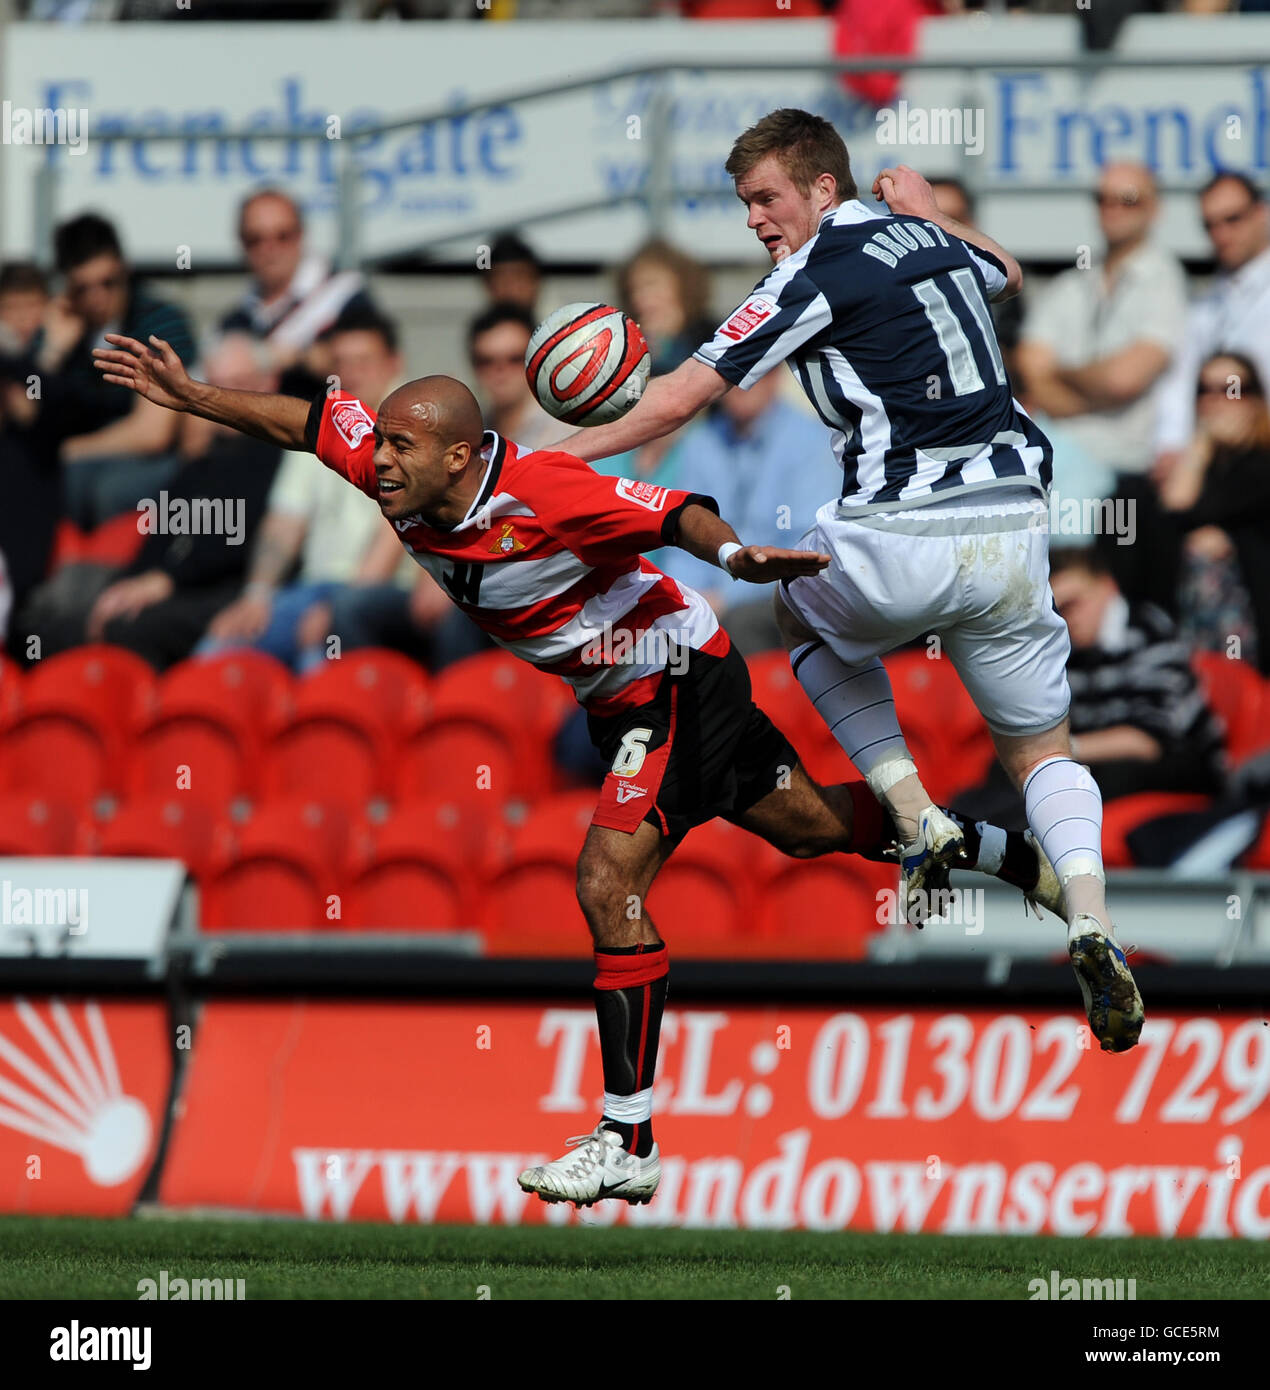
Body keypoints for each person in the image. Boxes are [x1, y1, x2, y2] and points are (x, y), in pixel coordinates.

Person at [93, 328, 1060, 1212]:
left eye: (401, 448)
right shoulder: (391, 468)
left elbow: (678, 511)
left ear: (461, 456)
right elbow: (309, 423)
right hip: (622, 699)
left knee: (606, 880)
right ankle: (1013, 857)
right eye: (379, 443)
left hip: (673, 678)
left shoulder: (547, 492)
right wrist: (192, 397)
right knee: (812, 829)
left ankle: (625, 1135)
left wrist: (738, 556)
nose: (378, 460)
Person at [548, 108, 1144, 1061]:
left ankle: (913, 814)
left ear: (824, 190)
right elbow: (1009, 273)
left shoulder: (810, 272)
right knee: (1041, 752)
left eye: (766, 198)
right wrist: (936, 211)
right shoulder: (930, 239)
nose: (754, 220)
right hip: (1015, 534)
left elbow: (677, 397)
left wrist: (547, 468)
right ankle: (1090, 914)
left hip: (902, 529)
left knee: (797, 614)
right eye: (744, 203)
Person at [1017, 163, 1187, 609]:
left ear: (1154, 208)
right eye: (1104, 198)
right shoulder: (1078, 280)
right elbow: (1032, 368)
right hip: (1058, 473)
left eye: (1127, 198)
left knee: (1105, 622)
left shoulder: (1163, 280)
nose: (1113, 209)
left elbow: (1125, 378)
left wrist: (1064, 375)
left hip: (1123, 482)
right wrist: (1097, 383)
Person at [195, 309, 402, 672]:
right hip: (310, 590)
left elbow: (397, 535)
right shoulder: (321, 425)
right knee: (217, 649)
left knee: (319, 656)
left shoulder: (412, 434)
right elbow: (284, 522)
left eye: (363, 361)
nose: (351, 372)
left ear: (392, 364)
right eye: (341, 362)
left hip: (377, 595)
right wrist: (256, 595)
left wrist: (339, 608)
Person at [5, 213, 195, 529]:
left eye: (108, 283)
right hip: (82, 463)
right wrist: (53, 351)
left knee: (106, 489)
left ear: (125, 269)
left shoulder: (160, 322)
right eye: (83, 288)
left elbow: (152, 435)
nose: (97, 297)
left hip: (150, 462)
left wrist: (67, 450)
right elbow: (22, 415)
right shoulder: (59, 327)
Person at [1158, 352, 1270, 673]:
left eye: (1231, 389)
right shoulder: (1202, 466)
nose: (1216, 401)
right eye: (1204, 390)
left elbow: (1188, 512)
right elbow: (1171, 518)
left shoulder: (1262, 464)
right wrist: (1199, 449)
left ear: (1255, 398)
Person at [1154, 173, 1270, 475]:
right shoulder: (1204, 306)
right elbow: (1179, 385)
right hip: (1214, 463)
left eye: (1233, 219)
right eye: (1210, 224)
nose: (1221, 234)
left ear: (1262, 213)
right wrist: (1170, 448)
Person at [219, 188, 377, 400]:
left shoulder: (345, 295)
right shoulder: (235, 319)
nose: (269, 248)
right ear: (241, 242)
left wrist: (287, 358)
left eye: (282, 236)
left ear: (301, 235)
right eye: (255, 238)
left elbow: (368, 369)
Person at [467, 303, 560, 452]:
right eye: (486, 361)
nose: (501, 372)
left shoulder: (567, 430)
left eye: (515, 359)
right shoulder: (470, 430)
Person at [616, 239, 717, 377]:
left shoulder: (714, 336)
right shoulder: (622, 344)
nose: (638, 298)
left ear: (682, 284)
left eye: (651, 284)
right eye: (633, 290)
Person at [483, 232, 543, 313]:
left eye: (520, 277)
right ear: (489, 285)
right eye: (502, 280)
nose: (512, 288)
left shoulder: (559, 323)